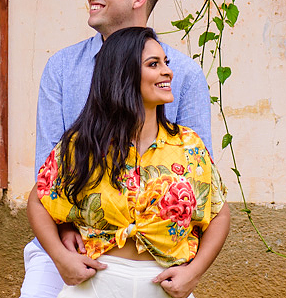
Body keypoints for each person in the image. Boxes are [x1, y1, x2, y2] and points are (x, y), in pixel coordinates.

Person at [20, 0, 213, 298]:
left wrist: (188, 264)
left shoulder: (183, 74)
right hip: (66, 243)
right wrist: (63, 241)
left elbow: (198, 178)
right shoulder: (62, 68)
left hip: (156, 259)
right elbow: (47, 169)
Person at [28, 27, 229, 298]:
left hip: (165, 288)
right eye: (153, 64)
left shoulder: (188, 146)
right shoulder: (84, 143)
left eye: (166, 63)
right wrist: (61, 259)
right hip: (95, 287)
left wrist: (194, 273)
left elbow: (218, 212)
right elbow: (39, 199)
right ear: (123, 74)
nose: (168, 72)